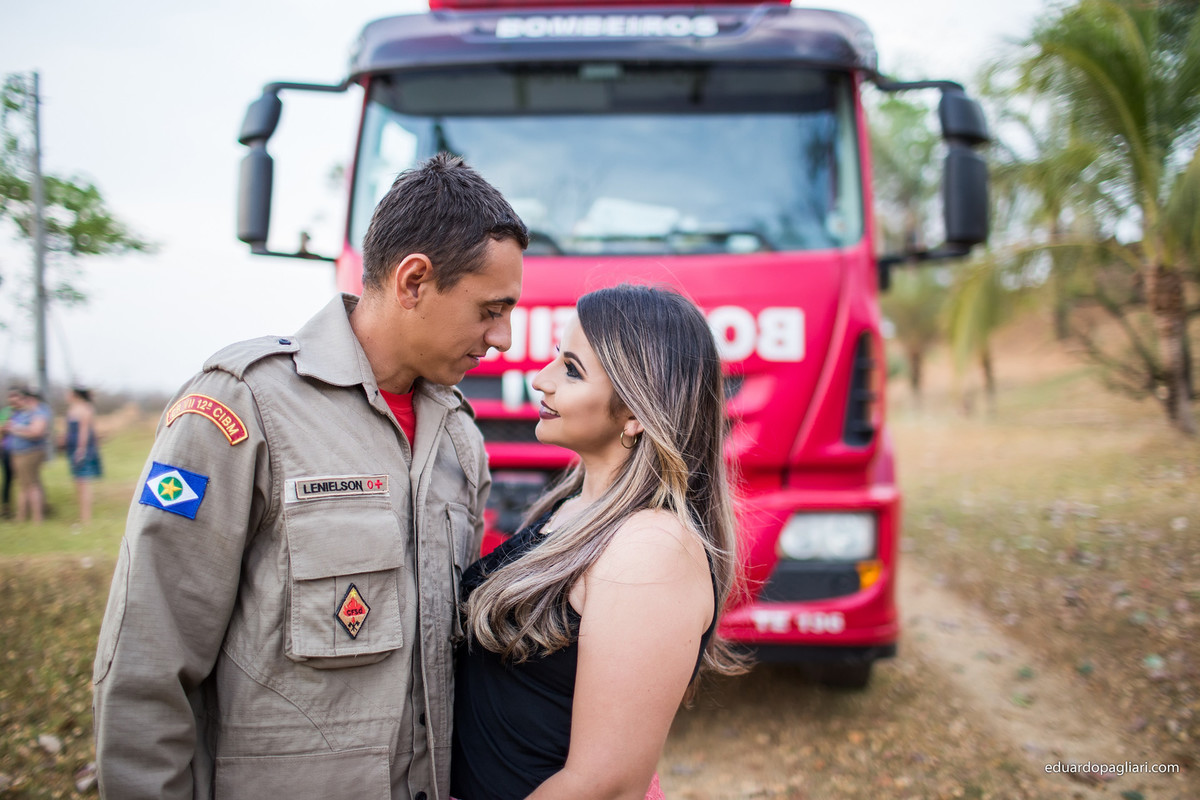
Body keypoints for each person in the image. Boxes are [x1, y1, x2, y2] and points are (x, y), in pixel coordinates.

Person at [92, 153, 528, 799]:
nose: (505, 338)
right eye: (490, 310)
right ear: (413, 282)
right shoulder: (243, 408)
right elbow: (147, 660)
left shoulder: (460, 437)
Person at [451, 285, 745, 800]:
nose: (541, 381)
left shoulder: (652, 550)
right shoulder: (570, 507)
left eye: (570, 369)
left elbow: (605, 786)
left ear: (635, 412)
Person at [4, 386, 51, 524]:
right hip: (19, 453)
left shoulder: (39, 411)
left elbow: (36, 432)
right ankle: (21, 517)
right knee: (24, 485)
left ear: (31, 398)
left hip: (30, 453)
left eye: (25, 398)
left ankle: (37, 518)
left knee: (32, 485)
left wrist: (15, 429)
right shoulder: (24, 412)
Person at [64, 386, 103, 525]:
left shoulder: (86, 409)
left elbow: (84, 431)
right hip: (71, 447)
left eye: (68, 393)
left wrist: (81, 450)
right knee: (77, 482)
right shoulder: (71, 409)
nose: (66, 396)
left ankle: (86, 517)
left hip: (82, 448)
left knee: (84, 482)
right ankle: (82, 514)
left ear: (76, 395)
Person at [0, 388, 17, 518]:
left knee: (26, 480)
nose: (13, 399)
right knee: (8, 479)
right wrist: (6, 427)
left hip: (22, 451)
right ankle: (6, 508)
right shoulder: (5, 412)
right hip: (6, 450)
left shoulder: (23, 412)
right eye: (11, 396)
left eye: (15, 396)